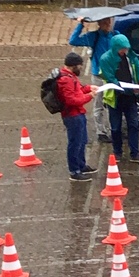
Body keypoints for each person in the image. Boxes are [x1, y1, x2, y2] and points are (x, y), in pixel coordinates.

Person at [95, 31, 139, 165]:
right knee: (115, 127)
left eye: (126, 48)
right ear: (115, 47)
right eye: (122, 49)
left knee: (134, 125)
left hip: (130, 98)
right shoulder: (105, 59)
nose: (124, 51)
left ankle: (135, 153)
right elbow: (111, 79)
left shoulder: (130, 55)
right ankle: (117, 152)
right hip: (115, 98)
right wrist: (131, 88)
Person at [55, 52, 96, 181]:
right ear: (74, 65)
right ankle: (74, 171)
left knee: (82, 141)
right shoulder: (66, 80)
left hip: (78, 114)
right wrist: (89, 96)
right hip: (72, 116)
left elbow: (78, 90)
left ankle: (81, 165)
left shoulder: (70, 76)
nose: (81, 68)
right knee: (75, 143)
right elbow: (71, 100)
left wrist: (89, 88)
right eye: (79, 65)